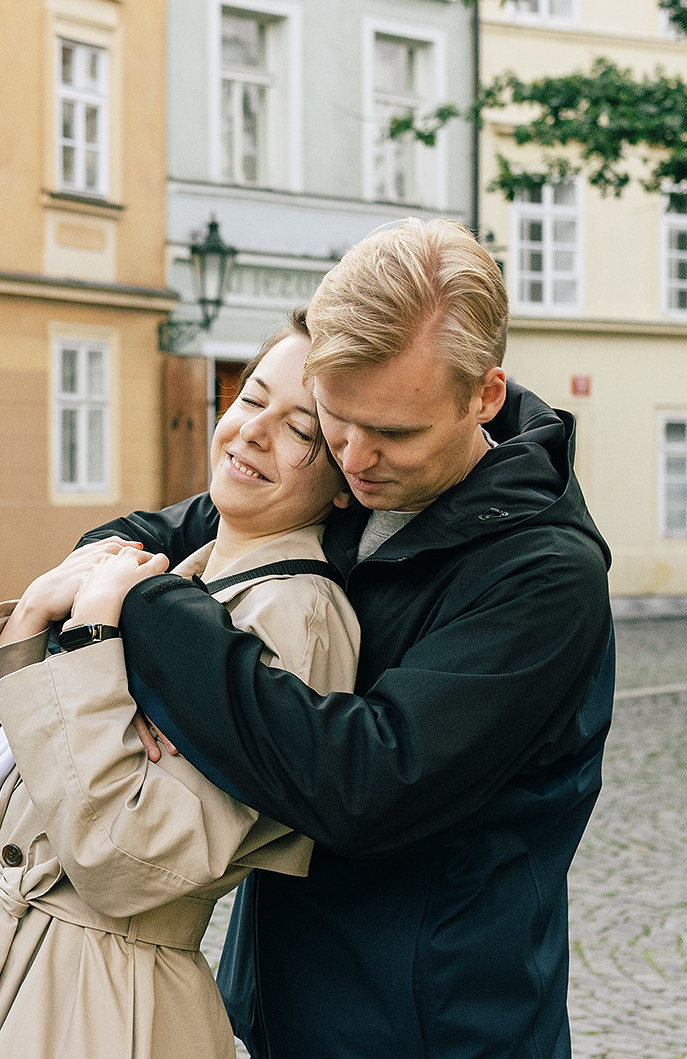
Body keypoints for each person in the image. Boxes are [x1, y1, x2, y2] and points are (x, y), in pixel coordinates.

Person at [74, 217, 614, 1059]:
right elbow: (145, 530)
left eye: (394, 432)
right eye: (334, 418)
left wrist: (144, 617)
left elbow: (362, 780)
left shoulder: (544, 575)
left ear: (484, 396)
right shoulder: (350, 482)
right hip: (277, 1006)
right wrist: (110, 581)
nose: (355, 461)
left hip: (439, 1029)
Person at [0, 318, 359, 1059]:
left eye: (300, 431)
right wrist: (35, 613)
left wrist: (95, 643)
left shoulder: (296, 613)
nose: (253, 433)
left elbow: (128, 864)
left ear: (347, 478)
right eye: (249, 398)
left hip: (100, 998)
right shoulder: (174, 573)